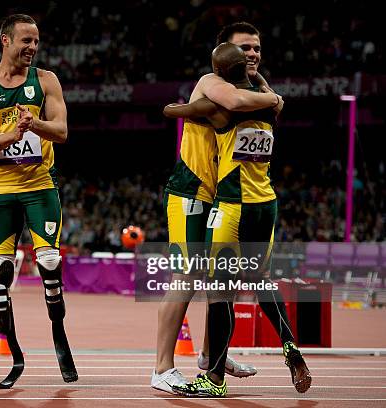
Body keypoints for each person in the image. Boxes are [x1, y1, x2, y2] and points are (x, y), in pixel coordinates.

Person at [170, 42, 311, 398]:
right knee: (261, 280)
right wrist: (264, 86)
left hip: (232, 206)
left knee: (221, 294)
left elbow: (175, 110)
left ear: (218, 74)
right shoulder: (270, 105)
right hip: (266, 203)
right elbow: (267, 93)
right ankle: (290, 346)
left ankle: (214, 379)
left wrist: (181, 105)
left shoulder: (220, 109)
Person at [151, 24, 283, 395]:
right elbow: (239, 104)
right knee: (188, 277)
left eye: (256, 47)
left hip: (225, 198)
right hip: (192, 192)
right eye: (244, 49)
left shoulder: (258, 86)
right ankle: (162, 368)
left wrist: (270, 96)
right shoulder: (213, 81)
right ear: (225, 53)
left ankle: (213, 357)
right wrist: (275, 100)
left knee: (222, 279)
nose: (252, 55)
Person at [0, 14, 77, 389]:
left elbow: (61, 132)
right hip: (2, 191)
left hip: (40, 187)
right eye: (26, 40)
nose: (32, 48)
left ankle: (59, 337)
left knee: (48, 259)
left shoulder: (46, 81)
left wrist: (35, 125)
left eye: (37, 42)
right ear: (5, 40)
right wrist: (13, 133)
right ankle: (14, 357)